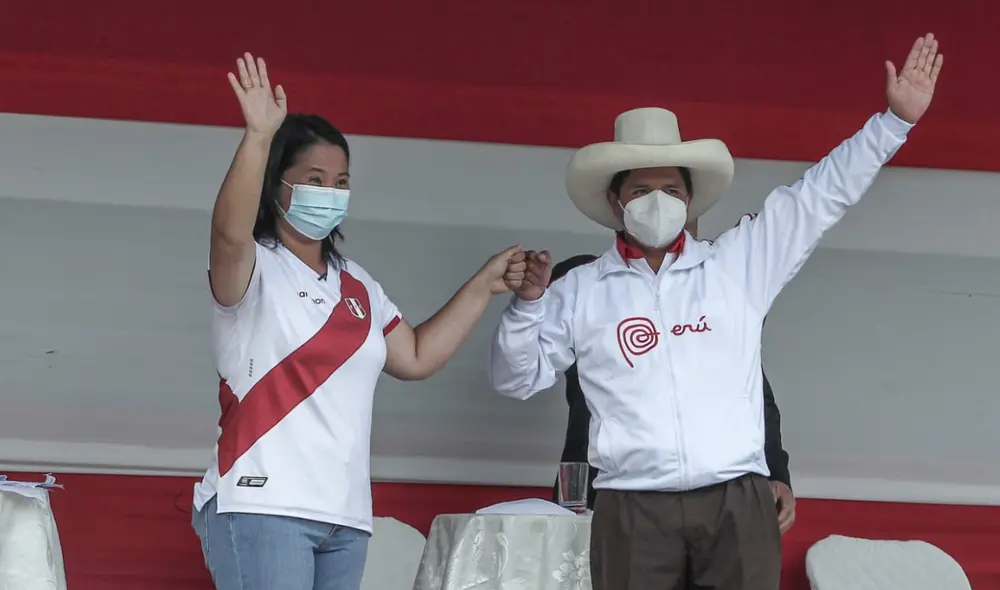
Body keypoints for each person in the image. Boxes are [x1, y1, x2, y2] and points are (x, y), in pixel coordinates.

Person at [489, 34, 942, 590]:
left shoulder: (738, 263)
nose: (657, 201)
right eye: (640, 190)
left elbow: (820, 196)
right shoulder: (579, 288)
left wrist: (893, 123)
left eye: (670, 189)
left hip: (737, 502)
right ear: (614, 203)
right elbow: (514, 379)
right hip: (631, 508)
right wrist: (527, 307)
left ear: (690, 199)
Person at [191, 53, 525, 590]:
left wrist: (483, 285)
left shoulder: (358, 286)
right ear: (277, 186)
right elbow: (228, 235)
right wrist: (257, 136)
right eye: (314, 178)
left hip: (344, 517)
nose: (330, 191)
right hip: (262, 503)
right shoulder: (254, 268)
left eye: (341, 180)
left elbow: (415, 356)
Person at [548, 254, 795, 535]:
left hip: (705, 493)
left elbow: (760, 403)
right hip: (589, 480)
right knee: (574, 570)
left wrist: (776, 473)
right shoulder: (587, 283)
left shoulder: (711, 308)